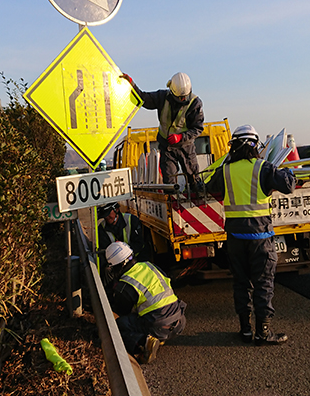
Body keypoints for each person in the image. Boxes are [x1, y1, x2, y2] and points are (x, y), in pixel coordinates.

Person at [204, 125, 297, 345]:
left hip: (235, 239)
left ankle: (245, 330)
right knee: (263, 284)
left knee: (241, 284)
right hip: (260, 238)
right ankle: (263, 332)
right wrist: (289, 170)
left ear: (234, 146)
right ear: (255, 145)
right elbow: (289, 185)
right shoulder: (263, 168)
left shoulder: (225, 171)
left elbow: (208, 187)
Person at [103, 241, 187, 364]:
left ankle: (143, 342)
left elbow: (122, 311)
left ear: (117, 266)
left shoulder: (125, 285)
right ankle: (159, 335)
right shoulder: (150, 266)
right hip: (179, 320)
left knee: (118, 325)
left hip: (158, 326)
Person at [120, 72, 205, 189]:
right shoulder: (162, 97)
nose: (183, 99)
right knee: (170, 184)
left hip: (186, 147)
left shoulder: (195, 103)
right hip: (167, 147)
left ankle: (198, 199)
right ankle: (173, 203)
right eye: (180, 97)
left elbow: (197, 128)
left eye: (185, 96)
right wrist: (131, 84)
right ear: (172, 91)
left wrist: (181, 137)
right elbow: (143, 98)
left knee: (194, 180)